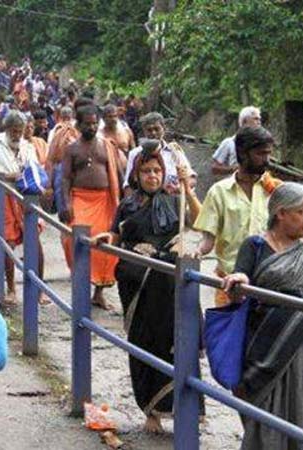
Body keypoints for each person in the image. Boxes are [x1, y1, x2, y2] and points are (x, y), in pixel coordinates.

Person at [92, 141, 203, 432]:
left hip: (169, 285)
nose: (152, 176)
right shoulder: (127, 204)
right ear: (137, 174)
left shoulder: (175, 199)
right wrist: (108, 238)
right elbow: (117, 235)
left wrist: (187, 189)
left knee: (177, 343)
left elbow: (201, 220)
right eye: (146, 171)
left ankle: (184, 410)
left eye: (157, 171)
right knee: (144, 343)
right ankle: (151, 412)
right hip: (137, 285)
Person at [223, 182, 303, 450]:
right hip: (267, 343)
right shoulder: (255, 245)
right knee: (267, 406)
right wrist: (240, 279)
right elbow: (241, 276)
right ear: (280, 213)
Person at [195, 126, 282, 306]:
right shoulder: (219, 192)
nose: (267, 160)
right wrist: (195, 252)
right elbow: (207, 241)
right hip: (230, 285)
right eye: (260, 154)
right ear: (242, 153)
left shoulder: (277, 191)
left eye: (268, 154)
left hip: (269, 286)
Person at [0, 111, 47, 305]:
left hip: (26, 198)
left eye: (20, 131)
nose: (17, 135)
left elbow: (35, 169)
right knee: (8, 243)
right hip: (3, 197)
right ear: (6, 129)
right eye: (14, 131)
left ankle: (39, 289)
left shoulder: (27, 146)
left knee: (35, 241)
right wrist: (6, 176)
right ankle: (11, 288)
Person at [61, 104, 125, 309]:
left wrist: (124, 202)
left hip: (105, 201)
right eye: (87, 123)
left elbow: (118, 173)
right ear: (78, 124)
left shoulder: (107, 145)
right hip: (80, 198)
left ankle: (98, 293)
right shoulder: (71, 149)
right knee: (75, 241)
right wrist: (66, 202)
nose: (92, 127)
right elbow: (65, 179)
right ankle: (81, 290)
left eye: (95, 123)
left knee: (105, 246)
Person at [122, 112, 195, 196]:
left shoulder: (175, 152)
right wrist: (130, 206)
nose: (153, 133)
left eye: (157, 129)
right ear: (144, 131)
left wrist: (180, 187)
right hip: (145, 204)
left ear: (164, 128)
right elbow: (128, 186)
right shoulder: (135, 154)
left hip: (172, 203)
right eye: (149, 130)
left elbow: (191, 179)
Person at [211, 106, 262, 176]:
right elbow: (214, 168)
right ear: (244, 121)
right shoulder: (229, 143)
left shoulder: (260, 144)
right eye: (255, 119)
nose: (259, 122)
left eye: (259, 119)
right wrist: (233, 169)